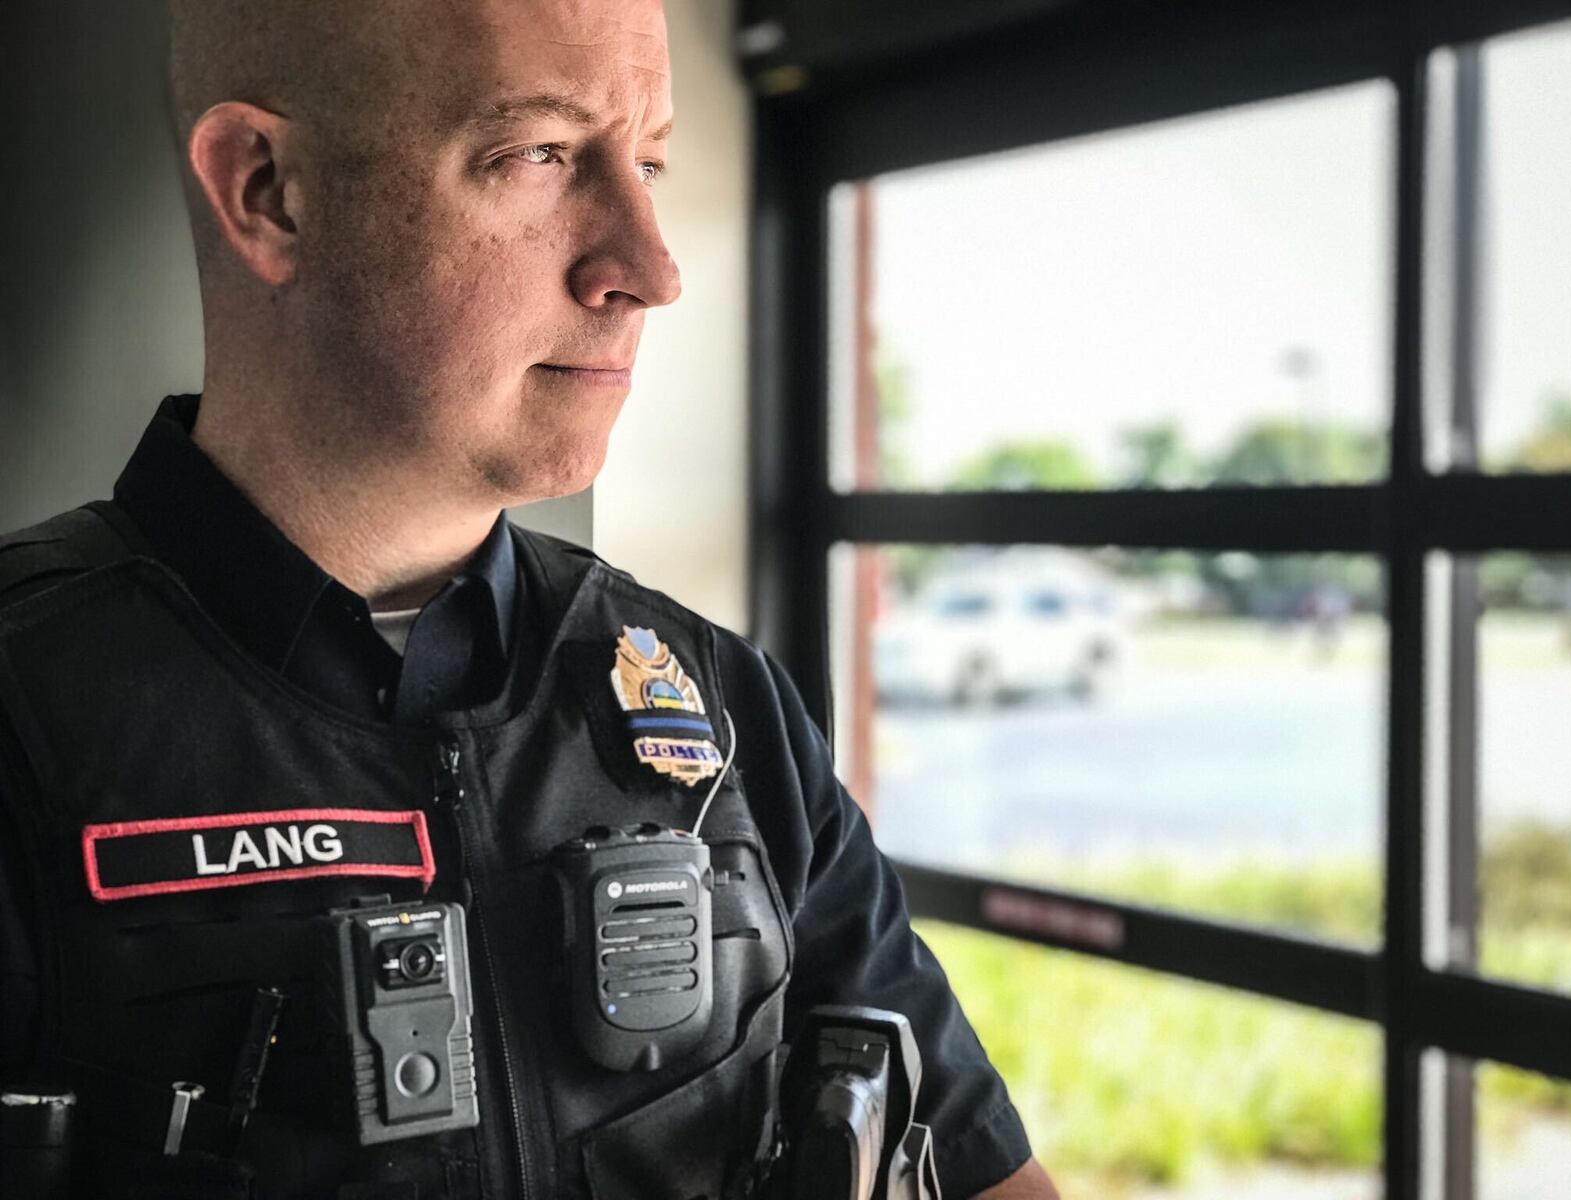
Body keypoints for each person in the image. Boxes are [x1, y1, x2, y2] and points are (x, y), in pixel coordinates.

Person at [0, 1, 1057, 1197]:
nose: (652, 270)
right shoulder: (28, 709)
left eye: (648, 161)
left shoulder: (721, 706)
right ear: (268, 192)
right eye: (539, 155)